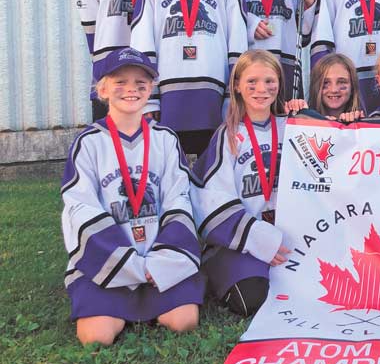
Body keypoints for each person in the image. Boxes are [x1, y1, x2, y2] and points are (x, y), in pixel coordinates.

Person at [61, 47, 202, 345]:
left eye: (141, 83)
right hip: (109, 259)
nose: (131, 89)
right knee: (95, 337)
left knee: (184, 321)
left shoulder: (165, 139)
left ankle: (145, 295)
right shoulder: (88, 143)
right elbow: (80, 207)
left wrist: (161, 260)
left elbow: (179, 199)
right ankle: (119, 300)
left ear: (151, 89)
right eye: (120, 82)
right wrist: (129, 265)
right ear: (103, 88)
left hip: (157, 255)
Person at [191, 50, 305, 317]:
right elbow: (211, 200)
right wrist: (260, 240)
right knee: (253, 299)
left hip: (291, 237)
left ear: (280, 83)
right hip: (242, 242)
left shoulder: (294, 126)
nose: (261, 89)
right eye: (252, 82)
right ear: (238, 87)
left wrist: (308, 114)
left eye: (269, 81)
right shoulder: (228, 136)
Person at [131, 0, 248, 155]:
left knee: (212, 166)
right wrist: (148, 97)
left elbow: (237, 38)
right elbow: (142, 38)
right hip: (168, 89)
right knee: (170, 165)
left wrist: (233, 96)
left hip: (213, 88)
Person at [307, 53, 364, 122]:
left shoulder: (364, 126)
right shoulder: (300, 122)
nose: (334, 90)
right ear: (315, 86)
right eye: (326, 82)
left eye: (341, 82)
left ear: (352, 87)